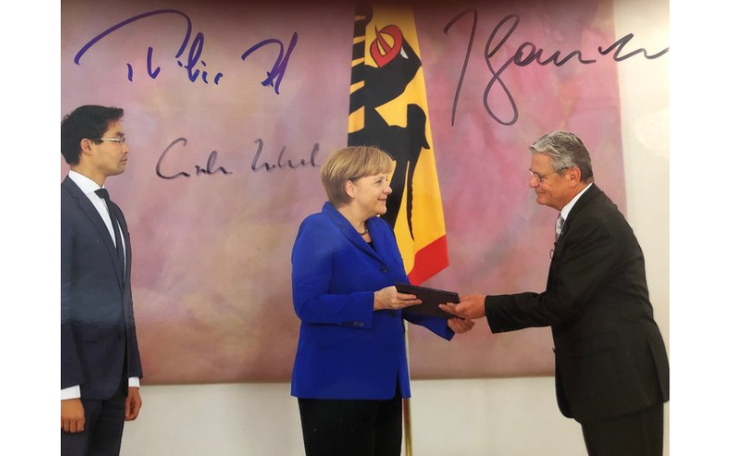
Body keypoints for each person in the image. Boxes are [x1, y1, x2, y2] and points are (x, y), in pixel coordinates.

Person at [440, 131, 669, 456]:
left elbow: (561, 303)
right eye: (532, 174)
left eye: (540, 176)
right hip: (612, 384)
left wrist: (487, 306)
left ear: (572, 175)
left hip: (622, 383)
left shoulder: (595, 223)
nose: (532, 183)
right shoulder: (584, 215)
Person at [291, 145, 474, 456]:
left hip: (386, 383)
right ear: (350, 188)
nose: (388, 189)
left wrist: (447, 316)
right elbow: (308, 305)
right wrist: (373, 301)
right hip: (337, 385)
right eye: (379, 181)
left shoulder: (382, 230)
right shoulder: (317, 229)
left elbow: (399, 295)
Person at [61, 105, 143, 456]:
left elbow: (124, 297)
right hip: (74, 387)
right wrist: (63, 389)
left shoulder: (114, 211)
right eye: (118, 139)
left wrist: (131, 377)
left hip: (114, 385)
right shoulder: (58, 208)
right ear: (87, 145)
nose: (126, 148)